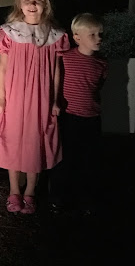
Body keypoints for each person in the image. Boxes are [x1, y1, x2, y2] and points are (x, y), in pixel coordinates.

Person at [0, 0, 69, 214]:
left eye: (38, 0)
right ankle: (14, 191)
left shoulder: (54, 35)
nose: (33, 5)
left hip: (41, 98)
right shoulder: (11, 32)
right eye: (27, 0)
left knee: (36, 142)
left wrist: (55, 99)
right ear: (20, 4)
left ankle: (30, 192)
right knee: (13, 140)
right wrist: (0, 96)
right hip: (15, 96)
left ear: (46, 4)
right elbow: (3, 67)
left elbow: (56, 70)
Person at [49, 12, 107, 214]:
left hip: (92, 119)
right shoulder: (65, 58)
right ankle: (57, 197)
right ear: (77, 37)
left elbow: (98, 87)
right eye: (92, 34)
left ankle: (86, 198)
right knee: (64, 158)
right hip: (69, 118)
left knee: (89, 161)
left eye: (100, 34)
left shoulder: (102, 64)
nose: (98, 38)